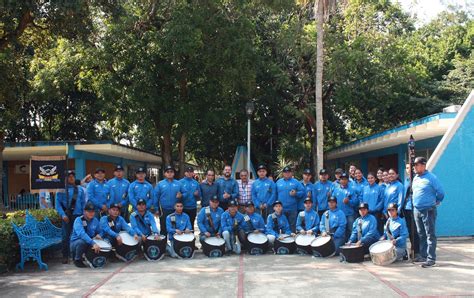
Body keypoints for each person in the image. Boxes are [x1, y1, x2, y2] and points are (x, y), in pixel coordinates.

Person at [412, 157, 445, 268]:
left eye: (417, 164)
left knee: (430, 234)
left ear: (423, 165)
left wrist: (437, 201)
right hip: (417, 210)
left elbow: (440, 192)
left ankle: (431, 259)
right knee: (421, 234)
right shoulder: (415, 178)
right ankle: (423, 255)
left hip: (428, 210)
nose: (414, 167)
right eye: (414, 165)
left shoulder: (432, 178)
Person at [56, 170, 86, 264]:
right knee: (66, 236)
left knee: (79, 235)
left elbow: (83, 203)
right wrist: (63, 214)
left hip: (78, 216)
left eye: (73, 176)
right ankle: (65, 255)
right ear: (65, 178)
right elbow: (57, 204)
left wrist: (83, 215)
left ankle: (78, 255)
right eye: (69, 176)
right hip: (67, 216)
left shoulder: (80, 189)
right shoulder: (61, 190)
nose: (71, 177)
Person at [154, 165, 186, 237]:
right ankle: (164, 246)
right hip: (164, 210)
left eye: (171, 172)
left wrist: (181, 195)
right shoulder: (160, 184)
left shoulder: (178, 183)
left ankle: (174, 246)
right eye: (167, 172)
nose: (169, 173)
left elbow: (185, 193)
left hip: (176, 210)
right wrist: (156, 209)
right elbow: (155, 197)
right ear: (165, 174)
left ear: (174, 173)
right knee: (163, 229)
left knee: (175, 229)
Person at [70, 202, 103, 268]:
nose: (91, 213)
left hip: (89, 241)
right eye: (89, 211)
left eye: (93, 211)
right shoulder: (78, 220)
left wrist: (99, 235)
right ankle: (77, 259)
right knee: (82, 242)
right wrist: (93, 243)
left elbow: (101, 231)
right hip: (76, 243)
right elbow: (81, 234)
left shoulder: (95, 220)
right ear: (84, 211)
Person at [275, 166, 304, 232]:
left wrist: (296, 193)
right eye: (285, 172)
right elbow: (275, 194)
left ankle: (292, 241)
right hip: (281, 209)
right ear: (283, 173)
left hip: (292, 209)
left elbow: (302, 192)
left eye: (289, 172)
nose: (287, 174)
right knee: (281, 225)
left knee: (292, 225)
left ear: (291, 173)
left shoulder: (296, 182)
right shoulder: (278, 182)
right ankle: (282, 240)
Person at [331, 173, 358, 242]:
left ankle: (352, 245)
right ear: (339, 180)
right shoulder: (336, 190)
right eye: (342, 179)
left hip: (349, 214)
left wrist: (349, 201)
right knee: (340, 230)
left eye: (345, 179)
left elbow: (356, 202)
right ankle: (341, 245)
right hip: (339, 214)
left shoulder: (352, 189)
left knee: (351, 230)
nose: (343, 181)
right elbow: (332, 201)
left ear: (348, 180)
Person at [402, 163, 420, 258]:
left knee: (415, 230)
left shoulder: (416, 179)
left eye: (410, 167)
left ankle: (417, 251)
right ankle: (413, 249)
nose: (409, 169)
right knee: (410, 230)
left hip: (414, 207)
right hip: (406, 208)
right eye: (407, 168)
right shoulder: (406, 180)